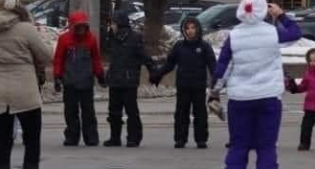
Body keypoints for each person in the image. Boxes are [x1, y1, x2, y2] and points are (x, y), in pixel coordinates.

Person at [210, 0, 302, 169]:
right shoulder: (272, 33)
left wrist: (214, 93)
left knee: (238, 146)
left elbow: (222, 68)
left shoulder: (234, 36)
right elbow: (295, 34)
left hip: (240, 99)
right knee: (267, 147)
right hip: (269, 97)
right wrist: (281, 15)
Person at [0, 0, 52, 169]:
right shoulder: (26, 29)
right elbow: (46, 56)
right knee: (32, 142)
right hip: (26, 93)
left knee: (1, 146)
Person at [152, 16, 217, 149]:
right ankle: (180, 139)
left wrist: (216, 81)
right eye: (187, 28)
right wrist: (158, 74)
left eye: (193, 28)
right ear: (183, 30)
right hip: (183, 85)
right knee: (181, 113)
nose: (190, 30)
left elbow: (212, 65)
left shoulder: (204, 46)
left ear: (197, 29)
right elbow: (169, 64)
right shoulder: (179, 46)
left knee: (200, 113)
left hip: (199, 85)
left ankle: (201, 139)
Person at [104, 9, 156, 147]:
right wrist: (108, 76)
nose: (111, 26)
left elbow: (144, 56)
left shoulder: (134, 37)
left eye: (113, 23)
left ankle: (133, 138)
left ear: (119, 23)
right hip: (115, 80)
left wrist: (152, 70)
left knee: (131, 110)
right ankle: (115, 137)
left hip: (129, 80)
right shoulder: (112, 38)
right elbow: (114, 60)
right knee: (114, 111)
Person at [53, 10, 105, 147]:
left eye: (83, 26)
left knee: (88, 111)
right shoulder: (64, 39)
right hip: (69, 81)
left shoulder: (91, 39)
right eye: (78, 26)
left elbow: (96, 59)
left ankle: (91, 137)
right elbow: (58, 59)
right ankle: (72, 136)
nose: (81, 29)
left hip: (86, 81)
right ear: (73, 26)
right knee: (71, 111)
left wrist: (100, 74)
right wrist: (57, 76)